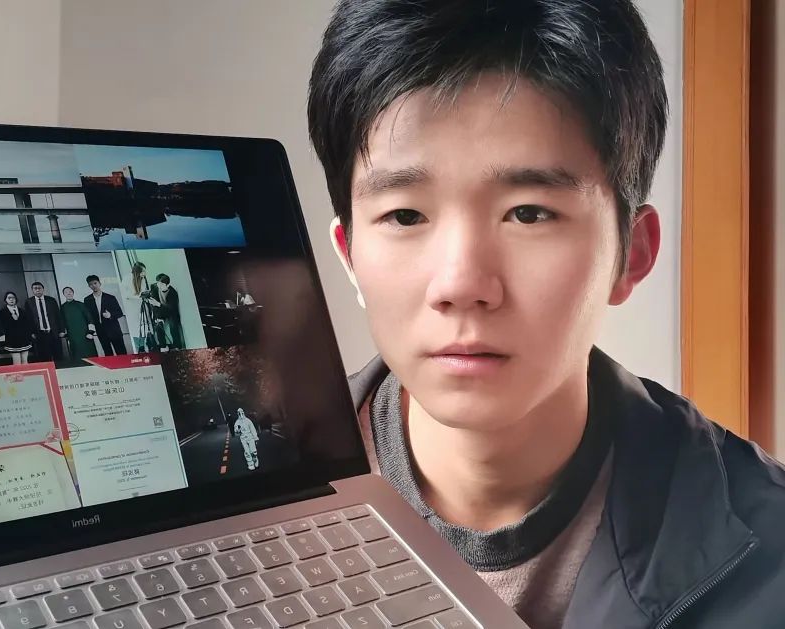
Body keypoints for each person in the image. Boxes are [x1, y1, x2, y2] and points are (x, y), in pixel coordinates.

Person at [307, 1, 785, 627]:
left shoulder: (769, 556)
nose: (462, 284)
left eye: (529, 213)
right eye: (405, 215)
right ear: (348, 254)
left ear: (632, 255)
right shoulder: (237, 513)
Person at [84, 274, 127, 355]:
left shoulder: (110, 297)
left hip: (114, 330)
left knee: (121, 353)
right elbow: (89, 316)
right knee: (108, 354)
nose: (93, 286)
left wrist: (110, 315)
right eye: (91, 284)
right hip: (101, 331)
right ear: (89, 286)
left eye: (95, 283)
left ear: (99, 283)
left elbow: (119, 312)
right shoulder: (87, 300)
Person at [24, 281, 64, 363]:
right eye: (35, 288)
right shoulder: (29, 302)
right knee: (44, 357)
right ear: (32, 290)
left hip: (53, 332)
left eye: (39, 288)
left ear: (43, 289)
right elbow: (28, 319)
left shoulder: (51, 300)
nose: (37, 290)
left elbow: (58, 316)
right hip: (39, 334)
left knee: (58, 356)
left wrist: (62, 330)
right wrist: (31, 332)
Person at [146, 273, 184, 350]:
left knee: (173, 325)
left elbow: (171, 309)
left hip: (170, 312)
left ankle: (177, 346)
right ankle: (163, 346)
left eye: (162, 285)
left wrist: (158, 304)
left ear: (167, 285)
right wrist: (158, 317)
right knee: (158, 325)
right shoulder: (155, 288)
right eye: (158, 283)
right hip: (160, 311)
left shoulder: (172, 292)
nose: (159, 286)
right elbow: (154, 306)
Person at [60, 287, 97, 361]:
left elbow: (90, 318)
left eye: (70, 291)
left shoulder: (81, 304)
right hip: (72, 336)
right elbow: (62, 321)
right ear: (64, 294)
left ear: (73, 293)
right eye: (66, 292)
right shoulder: (62, 307)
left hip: (85, 335)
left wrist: (91, 332)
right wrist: (62, 332)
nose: (68, 293)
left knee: (91, 356)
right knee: (77, 357)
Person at [0, 291, 34, 365]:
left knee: (25, 361)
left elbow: (26, 325)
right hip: (12, 340)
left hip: (24, 339)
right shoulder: (3, 311)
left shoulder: (22, 311)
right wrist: (13, 319)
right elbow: (4, 326)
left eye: (13, 298)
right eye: (9, 298)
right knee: (17, 362)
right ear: (6, 300)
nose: (11, 299)